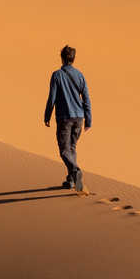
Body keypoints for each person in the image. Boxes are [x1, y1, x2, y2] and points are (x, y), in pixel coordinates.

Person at [43, 45, 92, 191]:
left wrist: (47, 115)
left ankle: (75, 171)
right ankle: (71, 180)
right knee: (72, 148)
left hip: (65, 118)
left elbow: (52, 97)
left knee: (64, 150)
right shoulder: (80, 75)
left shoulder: (57, 75)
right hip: (79, 117)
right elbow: (87, 98)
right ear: (73, 58)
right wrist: (88, 119)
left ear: (62, 57)